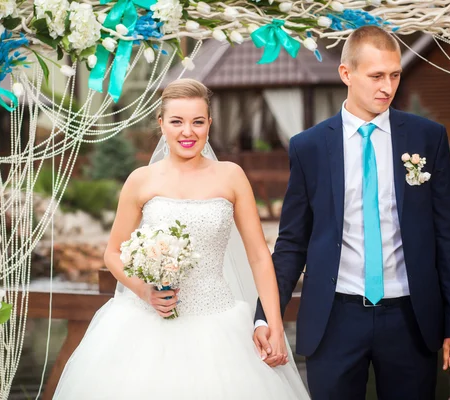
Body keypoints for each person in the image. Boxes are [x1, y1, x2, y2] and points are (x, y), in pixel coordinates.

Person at [53, 78, 310, 399]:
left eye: (197, 122)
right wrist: (145, 291)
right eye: (177, 121)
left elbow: (259, 256)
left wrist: (273, 325)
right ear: (161, 124)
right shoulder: (141, 180)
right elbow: (113, 253)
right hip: (146, 324)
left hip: (218, 323)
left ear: (209, 124)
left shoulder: (231, 176)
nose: (187, 131)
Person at [254, 25, 450, 400]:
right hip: (334, 319)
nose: (387, 87)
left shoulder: (427, 137)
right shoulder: (308, 147)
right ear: (346, 74)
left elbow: (448, 237)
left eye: (394, 75)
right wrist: (266, 314)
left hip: (411, 320)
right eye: (376, 76)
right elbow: (292, 241)